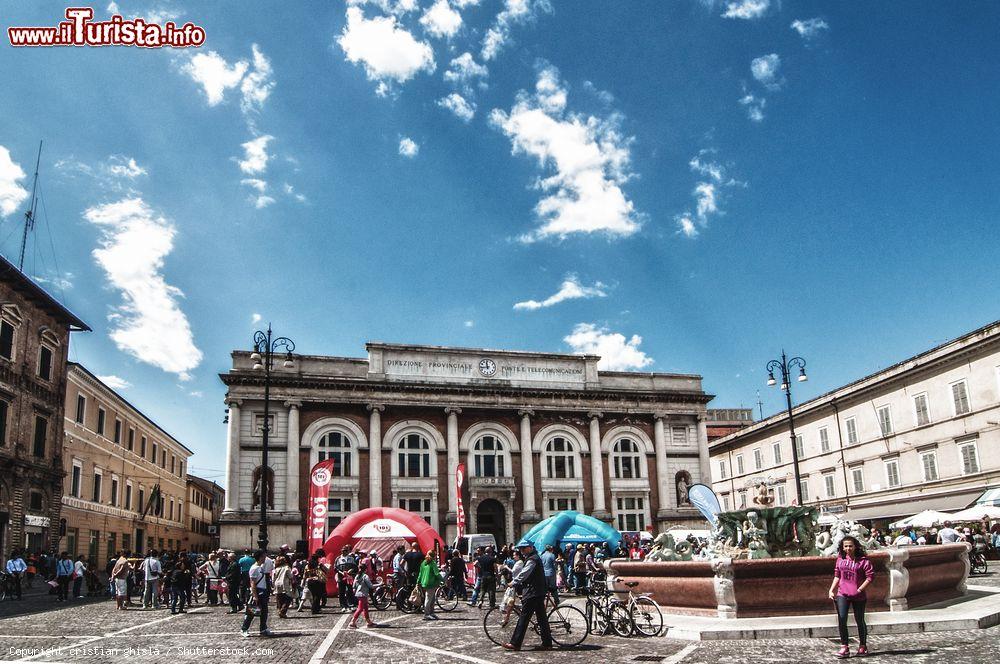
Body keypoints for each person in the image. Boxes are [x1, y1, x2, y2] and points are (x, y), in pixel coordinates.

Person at [828, 535, 874, 658]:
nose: (848, 548)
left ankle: (863, 646)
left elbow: (870, 577)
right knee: (842, 619)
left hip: (858, 595)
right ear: (842, 548)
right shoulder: (840, 559)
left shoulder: (864, 561)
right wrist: (831, 590)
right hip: (842, 593)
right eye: (846, 546)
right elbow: (837, 575)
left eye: (850, 546)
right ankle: (844, 646)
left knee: (859, 620)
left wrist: (859, 589)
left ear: (855, 546)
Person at [504, 540, 552, 652]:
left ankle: (515, 643)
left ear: (530, 547)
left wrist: (514, 582)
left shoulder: (532, 559)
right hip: (537, 592)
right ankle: (547, 643)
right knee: (542, 619)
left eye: (524, 548)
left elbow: (524, 573)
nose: (522, 550)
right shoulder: (533, 557)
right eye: (520, 549)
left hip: (533, 592)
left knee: (524, 618)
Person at [241, 550, 273, 638]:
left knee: (264, 611)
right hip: (258, 591)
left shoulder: (261, 567)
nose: (265, 558)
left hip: (263, 591)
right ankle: (244, 628)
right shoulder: (254, 568)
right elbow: (252, 583)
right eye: (263, 557)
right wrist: (255, 596)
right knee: (252, 611)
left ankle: (263, 628)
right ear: (260, 557)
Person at [348, 558, 378, 629]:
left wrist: (355, 590)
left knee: (365, 608)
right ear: (366, 569)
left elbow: (354, 586)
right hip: (363, 594)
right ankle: (352, 622)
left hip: (358, 594)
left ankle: (369, 622)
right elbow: (370, 586)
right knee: (360, 608)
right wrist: (379, 584)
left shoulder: (357, 576)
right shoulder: (365, 576)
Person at [418, 549, 442, 620]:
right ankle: (427, 614)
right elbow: (437, 573)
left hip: (424, 582)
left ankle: (431, 613)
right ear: (434, 556)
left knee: (432, 599)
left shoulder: (423, 563)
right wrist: (443, 580)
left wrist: (418, 582)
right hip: (431, 583)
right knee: (428, 599)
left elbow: (420, 573)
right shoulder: (432, 563)